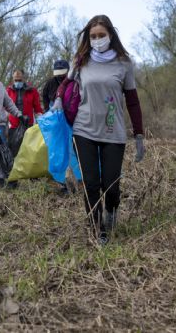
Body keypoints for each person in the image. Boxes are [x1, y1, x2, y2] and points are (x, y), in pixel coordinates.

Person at [52, 15, 145, 246]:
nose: (97, 40)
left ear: (110, 35)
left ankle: (111, 211)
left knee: (111, 185)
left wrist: (140, 134)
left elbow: (132, 101)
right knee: (92, 184)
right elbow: (65, 84)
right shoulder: (81, 61)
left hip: (114, 131)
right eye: (92, 36)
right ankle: (97, 230)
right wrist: (57, 99)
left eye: (101, 35)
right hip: (84, 130)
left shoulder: (124, 63)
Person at [7, 69, 43, 155]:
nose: (18, 82)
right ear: (13, 79)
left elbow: (37, 108)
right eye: (16, 80)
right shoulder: (8, 91)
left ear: (24, 79)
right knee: (13, 150)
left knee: (28, 151)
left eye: (20, 80)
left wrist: (41, 122)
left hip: (28, 125)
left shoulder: (32, 91)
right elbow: (5, 107)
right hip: (13, 125)